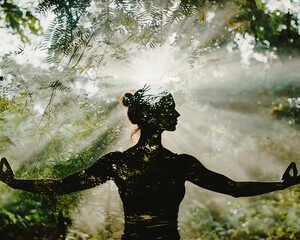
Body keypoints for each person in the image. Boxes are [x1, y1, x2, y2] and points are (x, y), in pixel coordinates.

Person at [0, 85, 299, 240]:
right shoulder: (179, 164)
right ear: (153, 116)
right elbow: (233, 188)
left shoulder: (120, 163)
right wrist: (280, 185)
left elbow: (61, 187)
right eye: (171, 109)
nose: (178, 115)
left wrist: (15, 182)